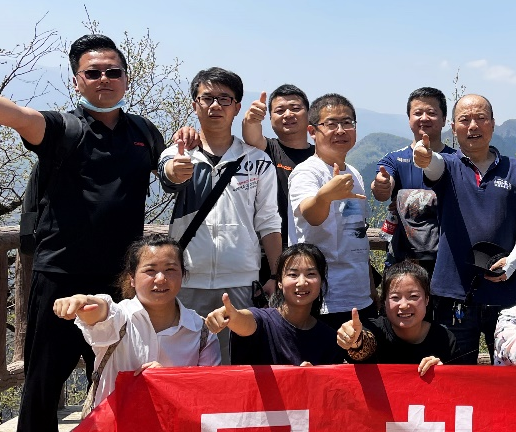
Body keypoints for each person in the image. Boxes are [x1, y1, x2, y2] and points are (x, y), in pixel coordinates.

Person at [0, 35, 165, 432]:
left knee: (120, 373)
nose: (104, 79)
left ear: (126, 78)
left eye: (113, 71)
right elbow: (21, 117)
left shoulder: (145, 134)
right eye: (93, 72)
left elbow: (172, 171)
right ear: (76, 81)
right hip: (61, 274)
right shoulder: (63, 129)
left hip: (121, 281)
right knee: (45, 376)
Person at [159, 67, 282, 363]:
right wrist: (176, 171)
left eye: (225, 99)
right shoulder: (178, 153)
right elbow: (169, 175)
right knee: (181, 363)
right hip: (186, 280)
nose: (215, 105)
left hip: (241, 280)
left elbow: (268, 222)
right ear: (195, 105)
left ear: (237, 107)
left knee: (234, 365)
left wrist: (276, 275)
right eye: (207, 98)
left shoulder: (257, 161)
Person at [416, 94, 516, 363]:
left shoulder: (514, 169)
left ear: (493, 124)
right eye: (465, 120)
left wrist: (513, 262)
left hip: (506, 291)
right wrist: (425, 157)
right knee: (456, 372)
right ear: (453, 128)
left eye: (481, 118)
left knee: (512, 370)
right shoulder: (448, 165)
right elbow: (433, 166)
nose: (473, 125)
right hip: (454, 291)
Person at [52, 236, 220, 413]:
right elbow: (102, 311)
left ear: (183, 275)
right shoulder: (120, 319)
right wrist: (83, 301)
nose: (161, 279)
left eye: (170, 269)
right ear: (132, 277)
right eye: (150, 270)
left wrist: (168, 380)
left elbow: (209, 392)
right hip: (115, 428)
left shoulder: (201, 331)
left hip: (177, 428)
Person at [287, 93, 374, 333]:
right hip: (323, 300)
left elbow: (357, 233)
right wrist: (325, 196)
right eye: (331, 124)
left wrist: (370, 287)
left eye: (347, 123)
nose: (341, 130)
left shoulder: (354, 174)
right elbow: (311, 215)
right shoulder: (307, 172)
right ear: (312, 131)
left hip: (359, 296)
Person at [206, 242, 338, 366]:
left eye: (311, 274)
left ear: (321, 281)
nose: (302, 282)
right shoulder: (263, 321)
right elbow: (245, 321)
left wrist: (312, 376)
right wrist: (231, 316)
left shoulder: (329, 338)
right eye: (293, 274)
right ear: (279, 282)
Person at [371, 87, 455, 273]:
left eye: (431, 113)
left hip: (448, 261)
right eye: (418, 113)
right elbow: (382, 190)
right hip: (403, 261)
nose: (424, 118)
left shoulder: (457, 160)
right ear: (409, 118)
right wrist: (381, 184)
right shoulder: (393, 159)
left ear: (444, 120)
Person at [336, 261, 456, 375]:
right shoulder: (375, 330)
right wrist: (354, 340)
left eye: (413, 296)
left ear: (427, 299)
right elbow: (364, 344)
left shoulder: (445, 338)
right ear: (384, 301)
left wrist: (443, 373)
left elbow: (458, 383)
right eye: (395, 297)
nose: (404, 305)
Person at [241, 84, 316, 247]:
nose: (288, 114)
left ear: (309, 114)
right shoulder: (267, 150)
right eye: (280, 110)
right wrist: (251, 119)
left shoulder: (320, 155)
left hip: (313, 248)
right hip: (271, 248)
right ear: (269, 118)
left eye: (295, 108)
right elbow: (252, 136)